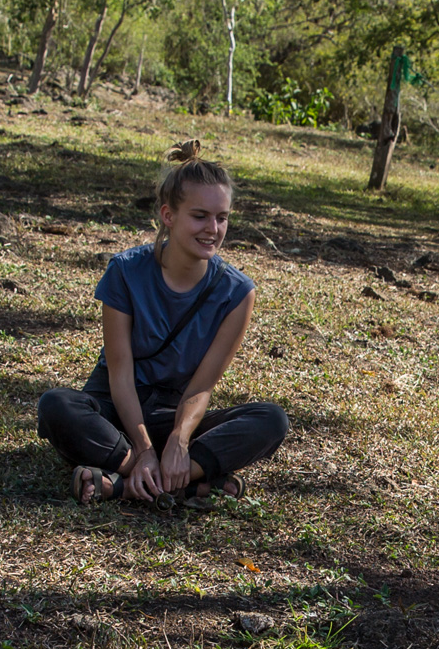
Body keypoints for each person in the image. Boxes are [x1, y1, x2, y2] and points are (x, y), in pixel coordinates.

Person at [36, 157, 289, 505]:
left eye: (222, 217)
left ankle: (122, 485)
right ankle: (173, 480)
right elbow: (120, 375)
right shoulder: (125, 272)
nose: (213, 229)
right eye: (199, 216)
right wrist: (143, 451)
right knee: (56, 406)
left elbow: (200, 388)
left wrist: (179, 441)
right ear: (168, 215)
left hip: (172, 417)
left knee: (271, 420)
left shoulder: (237, 293)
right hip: (114, 410)